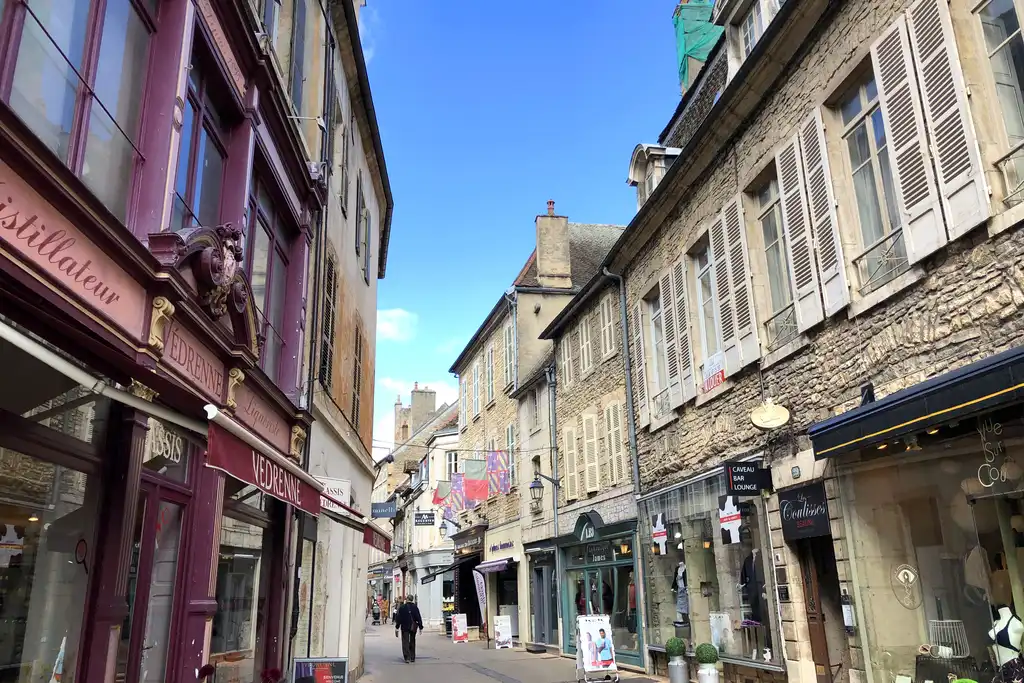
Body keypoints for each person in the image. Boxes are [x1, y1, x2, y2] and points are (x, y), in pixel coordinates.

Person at [395, 595, 423, 663]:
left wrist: (397, 627)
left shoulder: (402, 607)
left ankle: (407, 657)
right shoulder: (415, 607)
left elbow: (399, 618)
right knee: (412, 641)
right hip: (413, 627)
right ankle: (412, 657)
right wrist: (420, 626)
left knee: (405, 641)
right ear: (412, 599)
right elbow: (418, 617)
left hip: (405, 626)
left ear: (407, 599)